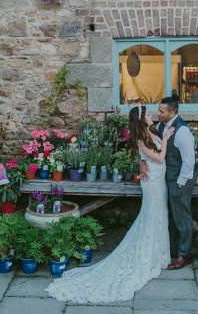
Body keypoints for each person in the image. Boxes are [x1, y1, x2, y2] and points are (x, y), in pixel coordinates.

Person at [45, 104, 174, 304]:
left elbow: (150, 157)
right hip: (153, 185)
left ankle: (157, 255)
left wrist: (147, 155)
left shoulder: (151, 131)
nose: (152, 116)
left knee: (159, 215)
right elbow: (159, 157)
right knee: (151, 216)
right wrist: (164, 141)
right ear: (141, 119)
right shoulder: (142, 139)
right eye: (148, 114)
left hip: (159, 182)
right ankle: (146, 256)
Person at [141, 96, 196, 270]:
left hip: (181, 177)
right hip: (167, 177)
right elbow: (150, 147)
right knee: (171, 214)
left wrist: (180, 183)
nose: (158, 113)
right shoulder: (159, 127)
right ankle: (172, 249)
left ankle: (184, 255)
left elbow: (189, 161)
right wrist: (142, 161)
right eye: (158, 110)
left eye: (161, 111)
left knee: (182, 215)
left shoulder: (182, 131)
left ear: (172, 112)